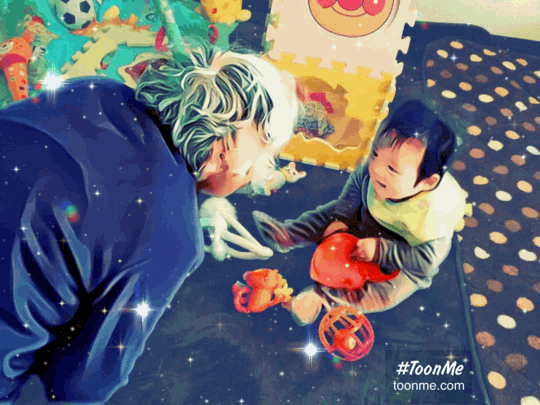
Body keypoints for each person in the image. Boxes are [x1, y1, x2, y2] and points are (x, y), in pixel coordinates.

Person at [0, 42, 299, 404]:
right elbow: (83, 383)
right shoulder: (173, 236)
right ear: (227, 155)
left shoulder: (95, 88)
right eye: (264, 158)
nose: (256, 175)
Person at [253, 100, 469, 326]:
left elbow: (424, 263)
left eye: (392, 169)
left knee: (385, 294)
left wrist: (381, 251)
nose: (376, 169)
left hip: (403, 251)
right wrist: (342, 218)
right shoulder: (374, 169)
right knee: (327, 214)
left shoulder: (433, 216)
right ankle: (289, 233)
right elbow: (356, 186)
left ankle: (320, 300)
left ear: (427, 182)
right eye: (375, 154)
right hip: (367, 216)